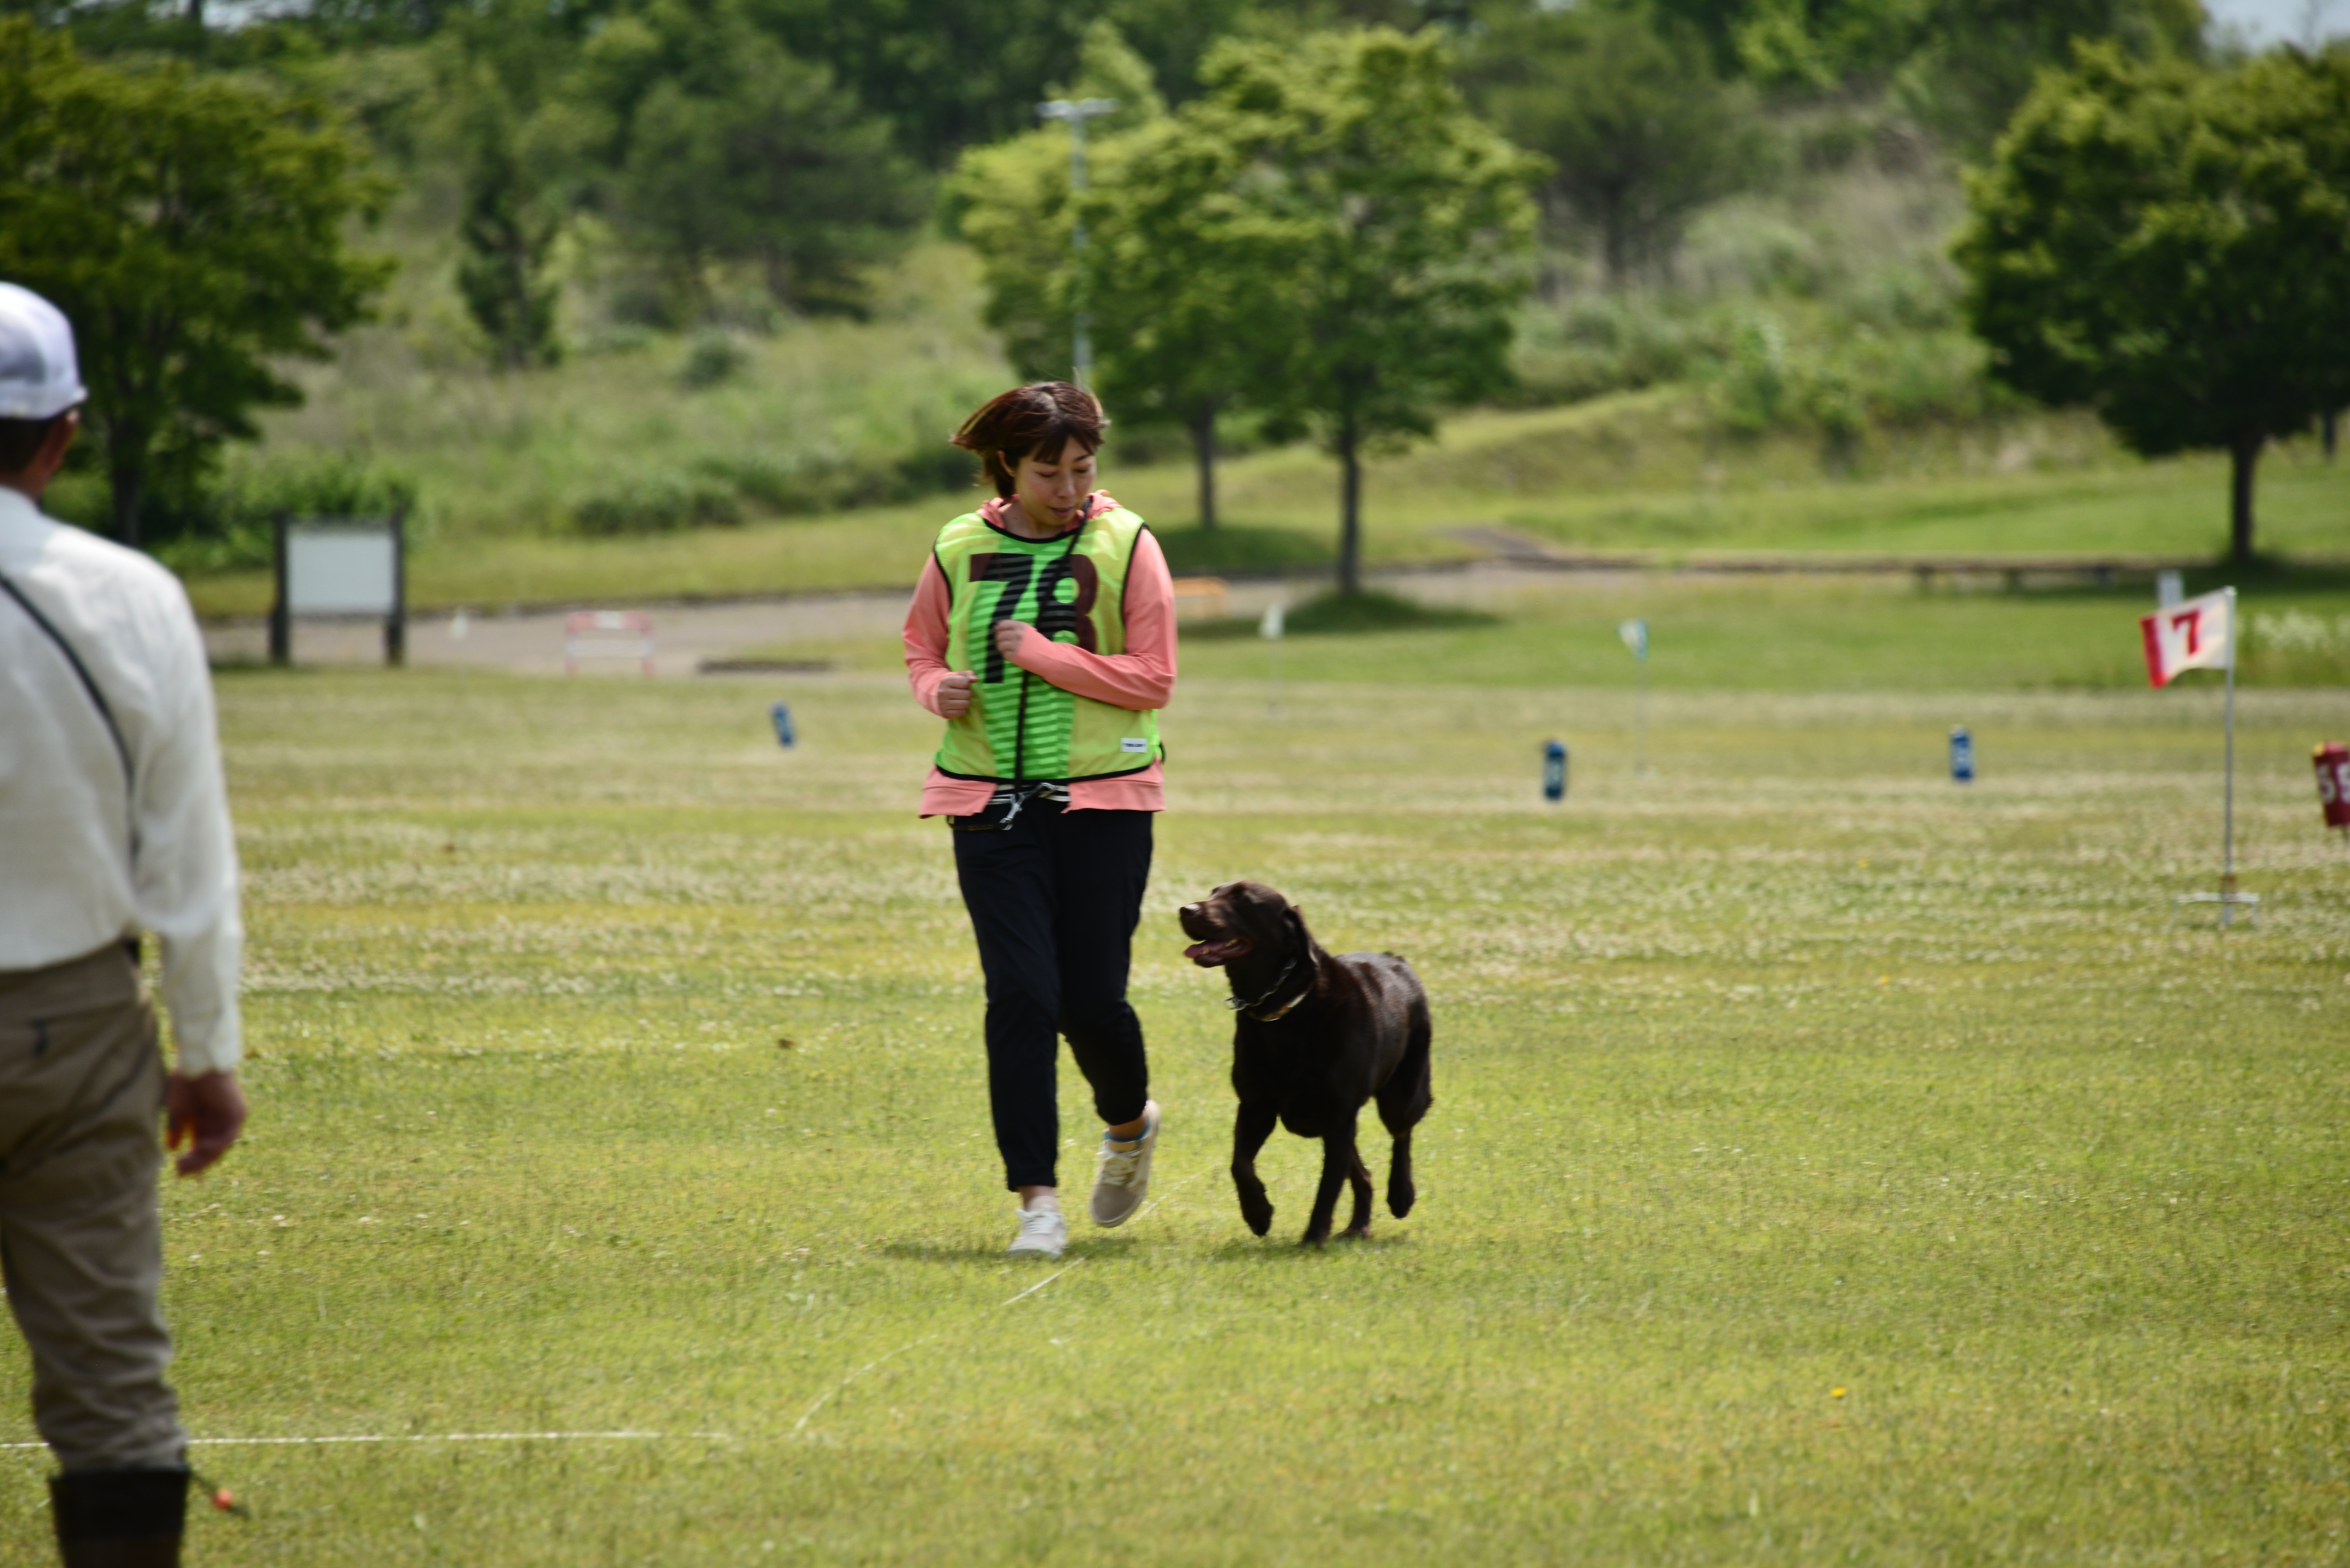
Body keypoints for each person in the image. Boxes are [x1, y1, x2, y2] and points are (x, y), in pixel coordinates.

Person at [0, 282, 249, 1567]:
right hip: (76, 1023)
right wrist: (205, 1051)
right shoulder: (133, 595)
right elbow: (190, 858)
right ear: (66, 432)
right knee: (110, 1387)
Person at [903, 382, 1178, 1259]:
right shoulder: (956, 545)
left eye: (1082, 469)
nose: (1067, 489)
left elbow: (1153, 677)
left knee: (1092, 1001)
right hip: (987, 803)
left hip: (1105, 801)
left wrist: (1047, 657)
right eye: (1047, 471)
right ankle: (1038, 1204)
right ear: (1007, 468)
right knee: (1021, 997)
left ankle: (1130, 1128)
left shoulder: (1129, 544)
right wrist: (932, 689)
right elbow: (921, 646)